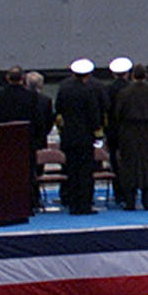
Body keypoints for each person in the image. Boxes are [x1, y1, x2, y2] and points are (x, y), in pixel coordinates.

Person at [56, 60, 104, 215]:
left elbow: (59, 109)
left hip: (68, 135)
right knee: (85, 172)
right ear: (88, 74)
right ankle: (84, 205)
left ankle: (72, 203)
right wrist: (97, 132)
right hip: (84, 137)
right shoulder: (88, 91)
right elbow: (94, 114)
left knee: (71, 171)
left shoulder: (64, 89)